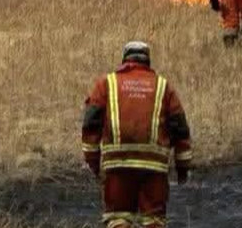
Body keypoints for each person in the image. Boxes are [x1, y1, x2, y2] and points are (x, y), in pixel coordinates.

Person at [82, 42, 193, 228]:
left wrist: (94, 163)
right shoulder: (164, 87)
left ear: (124, 59)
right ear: (148, 60)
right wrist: (182, 169)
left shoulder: (105, 84)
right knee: (154, 221)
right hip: (154, 169)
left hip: (117, 167)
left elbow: (90, 125)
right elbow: (181, 130)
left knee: (118, 219)